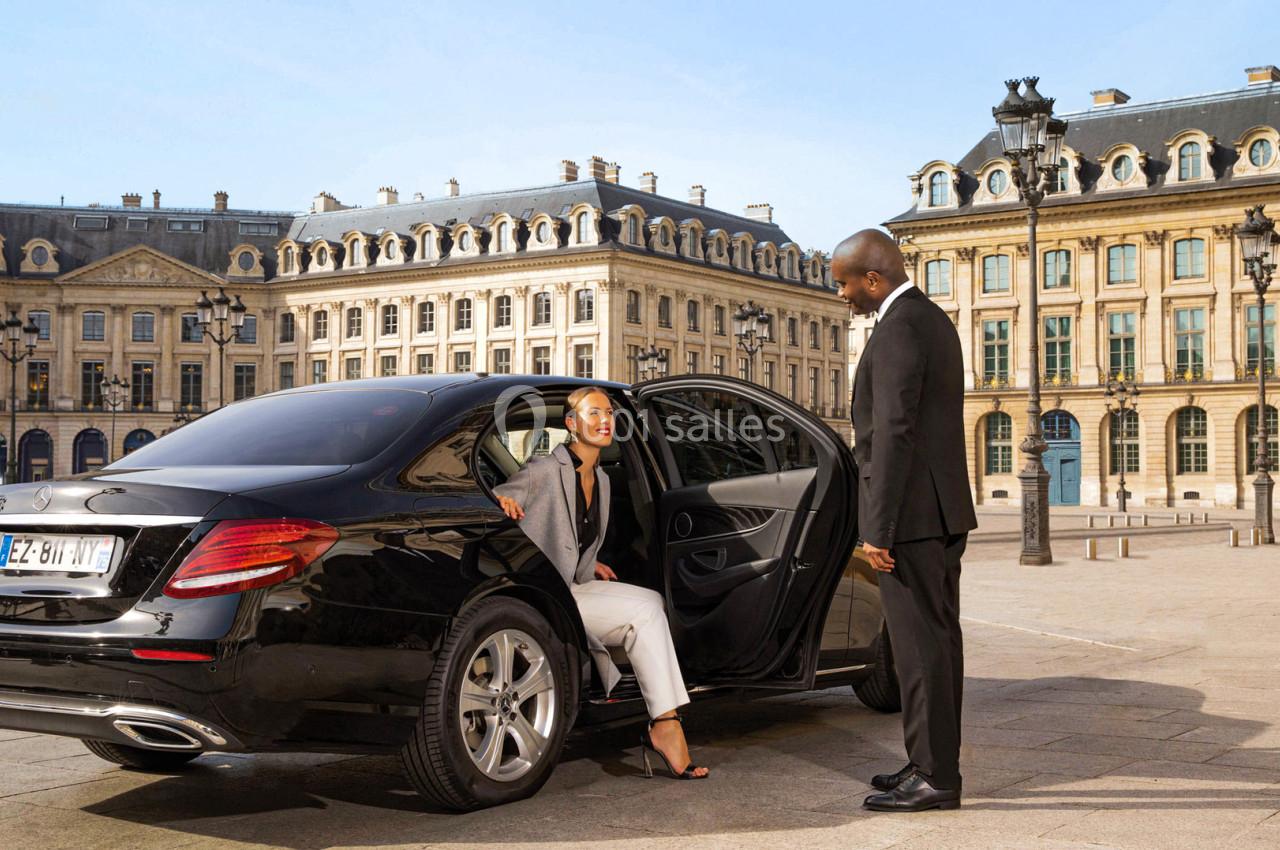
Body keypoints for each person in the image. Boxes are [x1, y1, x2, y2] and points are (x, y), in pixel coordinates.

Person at [492, 386, 709, 780]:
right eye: (593, 414)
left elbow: (572, 536)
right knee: (643, 611)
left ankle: (663, 718)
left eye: (608, 413)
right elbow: (495, 503)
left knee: (652, 601)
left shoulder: (604, 480)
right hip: (549, 595)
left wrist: (590, 563)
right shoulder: (543, 470)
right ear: (572, 425)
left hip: (575, 583)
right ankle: (666, 725)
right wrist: (502, 501)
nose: (605, 420)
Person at [832, 229, 978, 812]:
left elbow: (892, 432)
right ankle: (930, 763)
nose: (841, 294)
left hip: (911, 518)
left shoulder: (897, 329)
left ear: (873, 278)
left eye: (845, 283)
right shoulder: (932, 319)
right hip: (937, 510)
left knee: (920, 651)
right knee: (937, 644)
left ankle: (936, 777)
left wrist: (878, 529)